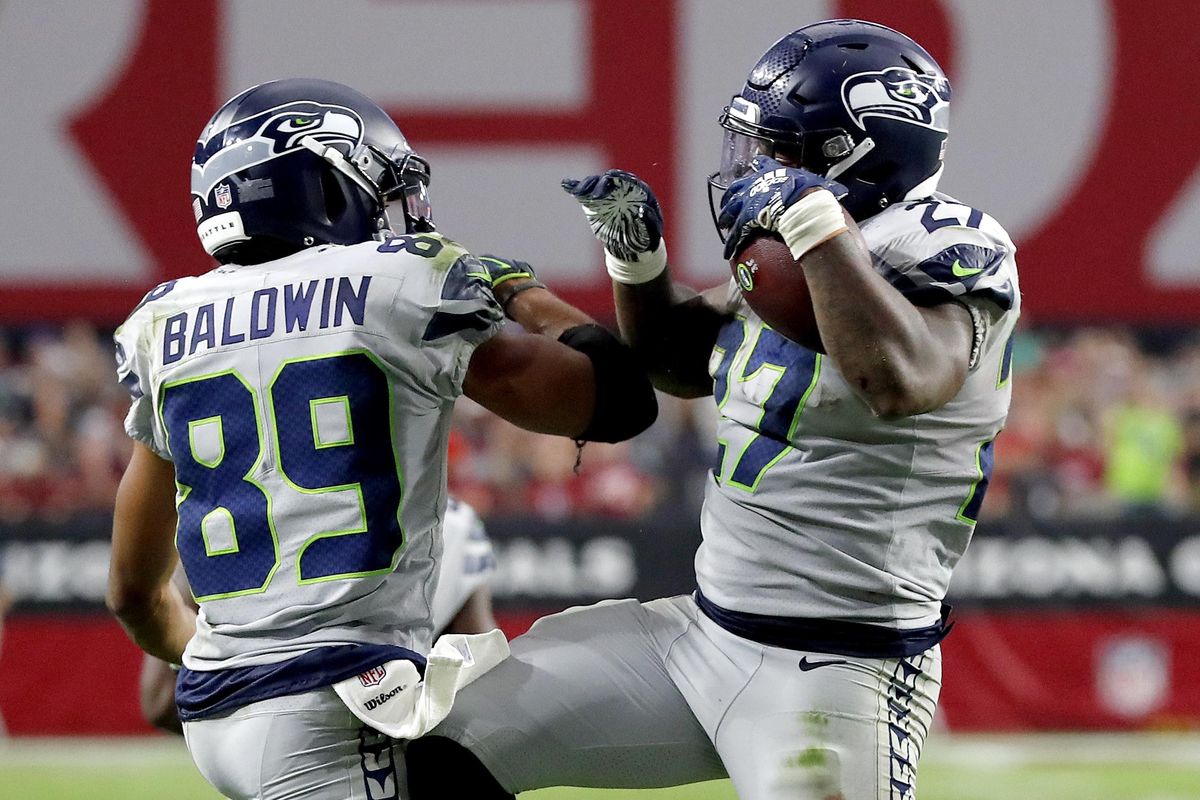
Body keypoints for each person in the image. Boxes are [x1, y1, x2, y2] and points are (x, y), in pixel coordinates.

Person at [409, 19, 1019, 800]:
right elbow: (677, 362)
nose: (758, 168)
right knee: (442, 742)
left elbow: (898, 379)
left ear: (853, 152)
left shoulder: (944, 242)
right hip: (700, 638)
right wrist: (635, 259)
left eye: (783, 149)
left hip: (839, 668)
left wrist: (812, 225)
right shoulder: (808, 248)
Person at [105, 78, 656, 800]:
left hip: (219, 712)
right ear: (328, 185)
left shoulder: (164, 324)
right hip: (333, 702)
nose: (401, 212)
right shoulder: (397, 282)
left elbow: (132, 593)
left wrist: (218, 663)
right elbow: (616, 401)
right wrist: (523, 292)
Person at [139, 496, 498, 734]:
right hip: (387, 739)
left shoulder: (225, 516)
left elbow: (159, 701)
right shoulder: (451, 521)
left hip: (263, 745)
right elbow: (482, 676)